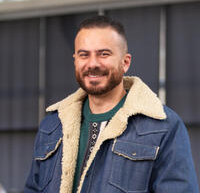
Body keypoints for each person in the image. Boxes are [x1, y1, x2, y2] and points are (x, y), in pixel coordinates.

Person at [25, 16, 199, 193]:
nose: (92, 64)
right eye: (84, 55)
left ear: (125, 62)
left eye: (104, 54)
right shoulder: (52, 126)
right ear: (75, 60)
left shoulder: (164, 126)